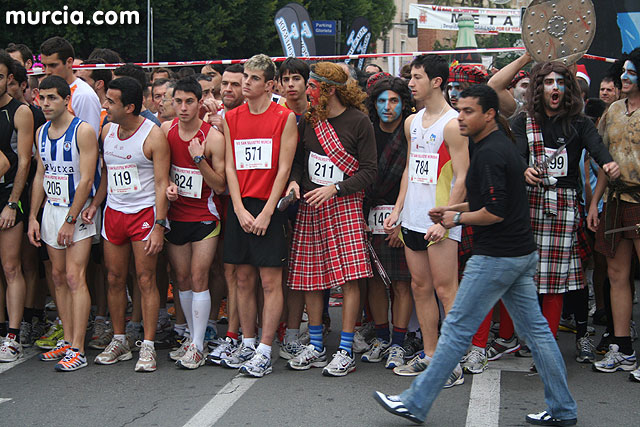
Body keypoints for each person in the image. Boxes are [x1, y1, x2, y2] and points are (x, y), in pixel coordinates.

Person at [373, 84, 579, 427]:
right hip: (517, 253)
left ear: (489, 115)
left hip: (498, 256)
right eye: (460, 109)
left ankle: (415, 402)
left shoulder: (491, 153)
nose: (461, 117)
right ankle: (563, 409)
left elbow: (494, 211)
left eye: (469, 112)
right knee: (538, 335)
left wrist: (456, 217)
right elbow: (491, 201)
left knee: (454, 329)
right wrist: (455, 208)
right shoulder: (492, 147)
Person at [508, 62, 619, 367]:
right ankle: (527, 337)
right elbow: (517, 156)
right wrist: (524, 169)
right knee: (526, 278)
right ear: (539, 88)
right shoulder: (523, 121)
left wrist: (608, 164)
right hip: (528, 203)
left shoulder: (580, 124)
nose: (555, 88)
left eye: (560, 82)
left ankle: (549, 340)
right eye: (548, 82)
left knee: (557, 280)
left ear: (568, 89)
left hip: (564, 203)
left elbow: (598, 149)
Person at [285, 62, 376, 376]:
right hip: (311, 205)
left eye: (312, 86)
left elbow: (369, 171)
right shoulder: (310, 120)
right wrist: (295, 182)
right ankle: (315, 345)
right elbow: (299, 160)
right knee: (311, 276)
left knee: (350, 278)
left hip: (345, 205)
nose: (306, 91)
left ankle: (346, 349)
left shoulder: (359, 122)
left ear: (329, 89)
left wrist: (335, 189)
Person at [382, 54, 469, 380]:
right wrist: (398, 208)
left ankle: (453, 360)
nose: (411, 83)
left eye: (417, 77)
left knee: (447, 291)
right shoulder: (411, 122)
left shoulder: (453, 124)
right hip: (414, 219)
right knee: (420, 287)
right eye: (411, 77)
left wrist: (445, 218)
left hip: (440, 221)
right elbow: (410, 169)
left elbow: (462, 176)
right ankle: (431, 355)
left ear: (436, 81)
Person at [85, 76, 170, 372]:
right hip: (114, 214)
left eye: (111, 101)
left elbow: (162, 183)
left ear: (130, 107)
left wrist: (160, 225)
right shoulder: (107, 130)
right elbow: (109, 172)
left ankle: (146, 345)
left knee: (145, 279)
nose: (105, 105)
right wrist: (96, 204)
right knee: (113, 278)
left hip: (144, 214)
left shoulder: (153, 135)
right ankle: (120, 340)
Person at [221, 54, 297, 377]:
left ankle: (266, 349)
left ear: (269, 85)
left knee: (269, 280)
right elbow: (229, 165)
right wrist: (238, 209)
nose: (245, 83)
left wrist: (267, 211)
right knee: (242, 277)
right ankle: (248, 342)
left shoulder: (284, 118)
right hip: (241, 206)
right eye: (244, 77)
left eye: (252, 79)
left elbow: (283, 169)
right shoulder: (232, 118)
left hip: (269, 208)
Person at [27, 75, 100, 371]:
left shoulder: (82, 131)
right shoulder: (41, 132)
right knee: (57, 277)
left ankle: (79, 349)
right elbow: (40, 175)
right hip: (51, 211)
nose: (45, 104)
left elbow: (86, 178)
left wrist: (71, 218)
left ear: (66, 99)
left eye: (52, 98)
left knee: (74, 277)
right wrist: (33, 215)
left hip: (76, 213)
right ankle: (68, 340)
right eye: (41, 98)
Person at [162, 77, 225, 369]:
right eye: (178, 101)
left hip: (204, 216)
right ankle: (191, 336)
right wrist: (169, 187)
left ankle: (198, 345)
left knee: (199, 277)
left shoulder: (212, 137)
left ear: (200, 103)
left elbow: (221, 185)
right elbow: (161, 173)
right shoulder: (166, 130)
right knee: (182, 278)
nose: (183, 107)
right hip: (177, 216)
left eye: (189, 102)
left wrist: (200, 160)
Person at [589, 48, 640, 380]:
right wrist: (595, 202)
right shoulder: (613, 111)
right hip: (614, 202)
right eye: (624, 72)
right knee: (616, 275)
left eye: (631, 73)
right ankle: (623, 348)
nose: (624, 77)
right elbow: (605, 161)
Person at [360, 75, 413, 369]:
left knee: (402, 284)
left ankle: (398, 344)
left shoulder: (409, 135)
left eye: (394, 101)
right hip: (368, 215)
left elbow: (417, 180)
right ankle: (381, 336)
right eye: (381, 101)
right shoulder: (366, 132)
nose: (387, 107)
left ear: (403, 104)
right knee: (374, 282)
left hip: (401, 216)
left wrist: (403, 221)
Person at [0, 51, 34, 363]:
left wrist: (13, 203)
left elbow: (24, 161)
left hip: (9, 194)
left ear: (9, 78)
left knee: (11, 266)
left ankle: (13, 335)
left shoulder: (19, 111)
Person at [39, 37, 101, 136]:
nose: (47, 71)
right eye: (44, 66)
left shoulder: (84, 95)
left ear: (69, 62)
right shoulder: (45, 90)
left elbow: (90, 139)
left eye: (53, 65)